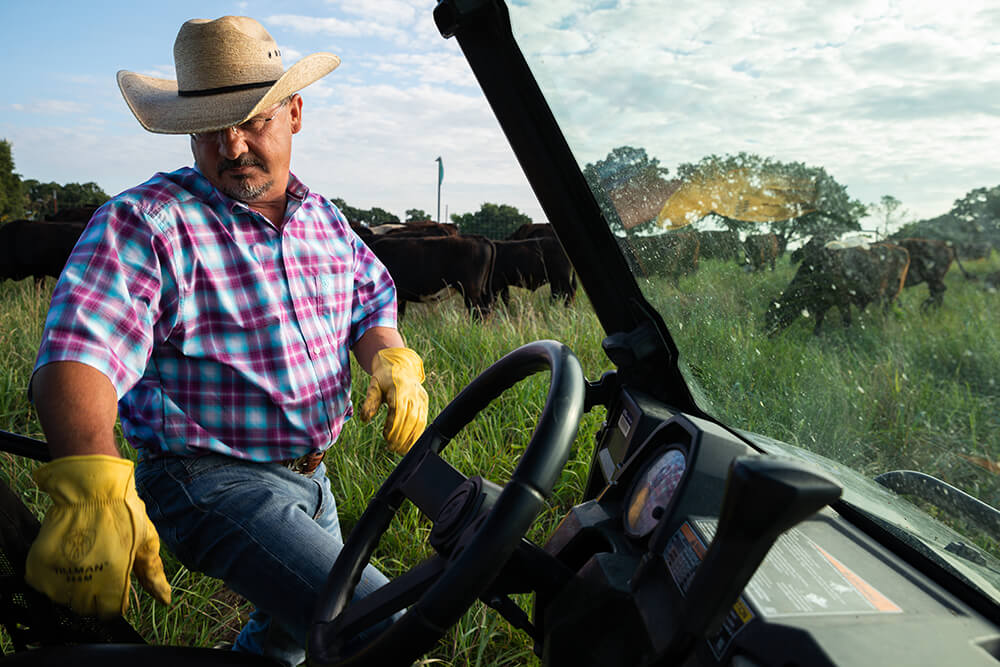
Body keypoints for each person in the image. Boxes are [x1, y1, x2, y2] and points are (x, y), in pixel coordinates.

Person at [23, 15, 429, 666]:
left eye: (253, 118)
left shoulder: (324, 221)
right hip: (208, 479)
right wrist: (94, 483)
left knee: (289, 639)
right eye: (209, 125)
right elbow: (77, 354)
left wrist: (388, 356)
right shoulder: (148, 224)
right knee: (382, 626)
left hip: (311, 480)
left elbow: (368, 301)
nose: (232, 143)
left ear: (295, 114)